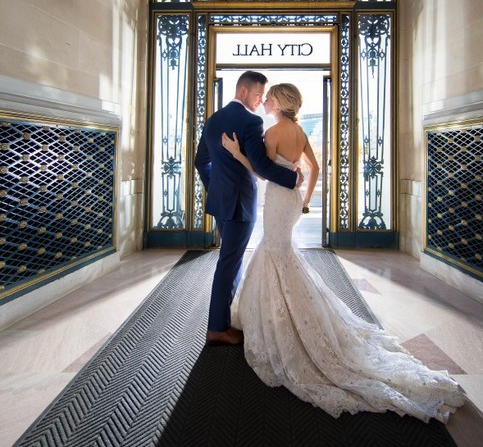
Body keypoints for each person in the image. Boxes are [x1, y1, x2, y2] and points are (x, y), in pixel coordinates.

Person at [222, 82, 464, 423]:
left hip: (278, 199)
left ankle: (280, 319)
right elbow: (315, 170)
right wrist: (304, 201)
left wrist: (235, 153)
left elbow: (262, 170)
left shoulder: (275, 130)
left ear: (279, 102)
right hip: (291, 203)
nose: (267, 101)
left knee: (274, 252)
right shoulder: (298, 131)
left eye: (270, 97)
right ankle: (287, 309)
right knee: (280, 253)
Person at [194, 71, 302, 346]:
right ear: (243, 92)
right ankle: (217, 327)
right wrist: (293, 179)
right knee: (229, 262)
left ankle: (227, 319)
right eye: (257, 95)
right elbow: (262, 166)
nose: (259, 101)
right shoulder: (250, 121)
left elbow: (200, 162)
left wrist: (217, 187)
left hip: (221, 201)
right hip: (240, 203)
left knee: (231, 260)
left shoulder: (213, 120)